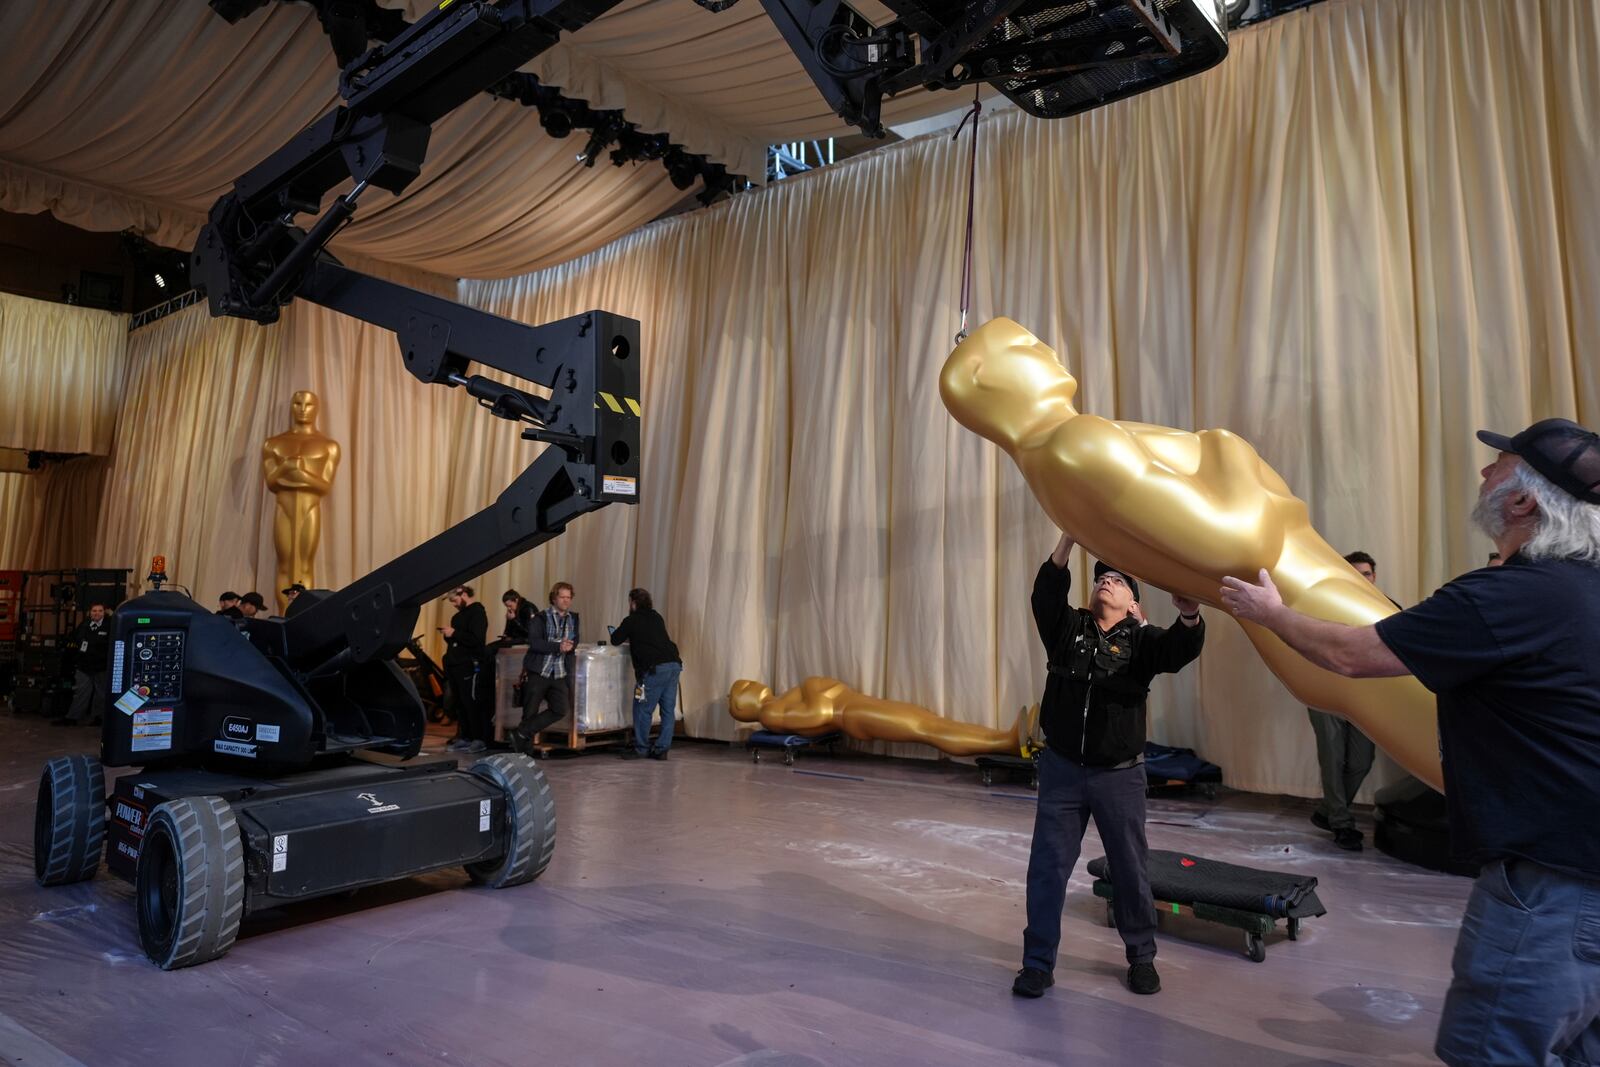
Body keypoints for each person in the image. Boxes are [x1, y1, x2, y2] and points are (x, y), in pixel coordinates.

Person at [1219, 418, 1600, 1066]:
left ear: (1524, 500)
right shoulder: (1582, 594)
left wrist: (1270, 611)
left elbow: (1349, 653)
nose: (1484, 473)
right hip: (1584, 878)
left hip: (1548, 888)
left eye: (1499, 464)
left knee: (1493, 1050)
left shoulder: (1512, 597)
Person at [939, 316, 1440, 789]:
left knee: (1467, 763)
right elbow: (1243, 545)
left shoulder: (1048, 476)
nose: (1046, 348)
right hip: (1315, 600)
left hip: (1304, 613)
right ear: (985, 379)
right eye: (1027, 345)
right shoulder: (1078, 444)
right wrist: (1231, 452)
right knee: (1486, 757)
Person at [1013, 532, 1205, 1000]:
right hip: (1061, 771)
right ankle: (1038, 964)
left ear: (1133, 603)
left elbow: (1180, 649)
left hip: (1118, 776)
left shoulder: (1142, 642)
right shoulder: (1067, 628)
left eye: (1117, 581)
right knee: (1047, 870)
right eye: (1101, 578)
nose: (1107, 582)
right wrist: (1069, 538)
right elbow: (1045, 593)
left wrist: (1189, 612)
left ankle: (1141, 958)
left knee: (1130, 869)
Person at [1305, 550, 1388, 851]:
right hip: (1326, 692)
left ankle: (1328, 812)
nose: (1360, 579)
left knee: (1361, 761)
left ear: (1374, 577)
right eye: (1353, 574)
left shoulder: (1387, 607)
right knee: (1332, 759)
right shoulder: (1324, 606)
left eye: (1365, 574)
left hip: (1367, 697)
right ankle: (1341, 823)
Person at [727, 679, 1030, 756]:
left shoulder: (778, 702)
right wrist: (819, 689)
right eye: (745, 687)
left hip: (857, 707)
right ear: (744, 706)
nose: (753, 683)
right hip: (854, 713)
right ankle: (1005, 742)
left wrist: (820, 688)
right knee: (930, 728)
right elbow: (817, 714)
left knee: (933, 723)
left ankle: (1003, 738)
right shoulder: (771, 710)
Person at [262, 389, 340, 616]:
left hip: (310, 509)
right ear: (291, 407)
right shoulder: (273, 443)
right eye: (298, 404)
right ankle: (284, 616)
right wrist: (287, 468)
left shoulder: (328, 446)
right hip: (283, 508)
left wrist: (299, 473)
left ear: (316, 408)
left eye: (308, 405)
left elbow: (324, 485)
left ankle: (301, 618)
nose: (303, 410)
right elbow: (271, 481)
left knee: (305, 566)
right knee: (284, 566)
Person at [605, 588, 684, 760]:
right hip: (673, 666)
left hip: (653, 670)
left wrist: (626, 633)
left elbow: (615, 639)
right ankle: (662, 749)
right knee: (667, 710)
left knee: (642, 709)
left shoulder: (631, 620)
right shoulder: (657, 617)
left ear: (633, 603)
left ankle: (641, 748)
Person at [510, 582, 579, 753]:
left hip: (560, 672)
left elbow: (575, 640)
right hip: (539, 671)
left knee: (560, 709)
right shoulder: (540, 618)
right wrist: (558, 647)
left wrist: (571, 646)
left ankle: (521, 732)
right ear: (554, 598)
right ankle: (524, 752)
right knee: (530, 711)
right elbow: (534, 643)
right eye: (562, 597)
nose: (566, 601)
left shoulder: (574, 618)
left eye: (568, 597)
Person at [440, 585, 489, 753]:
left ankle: (478, 738)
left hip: (469, 664)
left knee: (471, 701)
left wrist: (454, 633)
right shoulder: (457, 617)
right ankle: (465, 736)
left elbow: (476, 640)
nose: (453, 604)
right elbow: (458, 640)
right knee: (459, 703)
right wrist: (449, 636)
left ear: (464, 594)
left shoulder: (477, 613)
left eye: (454, 600)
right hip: (455, 664)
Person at [59, 603, 111, 727]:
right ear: (90, 612)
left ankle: (98, 718)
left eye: (100, 611)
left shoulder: (109, 626)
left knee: (101, 694)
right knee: (81, 692)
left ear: (104, 612)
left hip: (101, 667)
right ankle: (72, 718)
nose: (97, 613)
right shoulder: (84, 625)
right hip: (84, 666)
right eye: (94, 611)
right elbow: (76, 639)